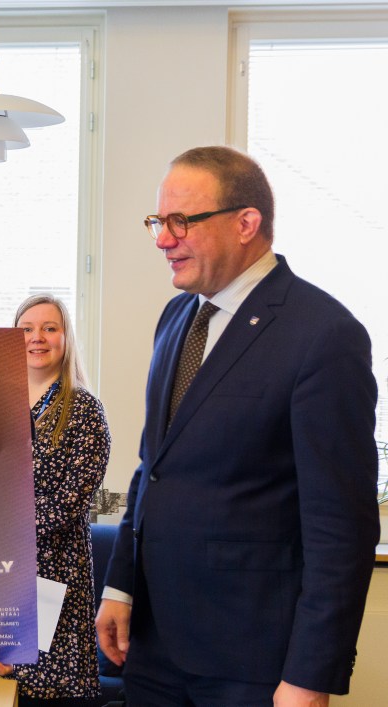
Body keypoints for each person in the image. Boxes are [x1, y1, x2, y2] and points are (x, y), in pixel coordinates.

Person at [95, 146, 379, 706]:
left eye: (181, 221)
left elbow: (341, 528)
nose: (163, 239)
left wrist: (310, 676)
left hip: (252, 662)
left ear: (246, 223)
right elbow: (154, 468)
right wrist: (122, 583)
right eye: (158, 221)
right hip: (152, 647)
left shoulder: (323, 335)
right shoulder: (177, 317)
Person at [7, 293, 110, 706]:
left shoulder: (84, 409)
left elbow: (67, 503)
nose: (37, 337)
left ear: (66, 339)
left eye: (50, 328)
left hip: (52, 572)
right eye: (26, 329)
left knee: (46, 690)